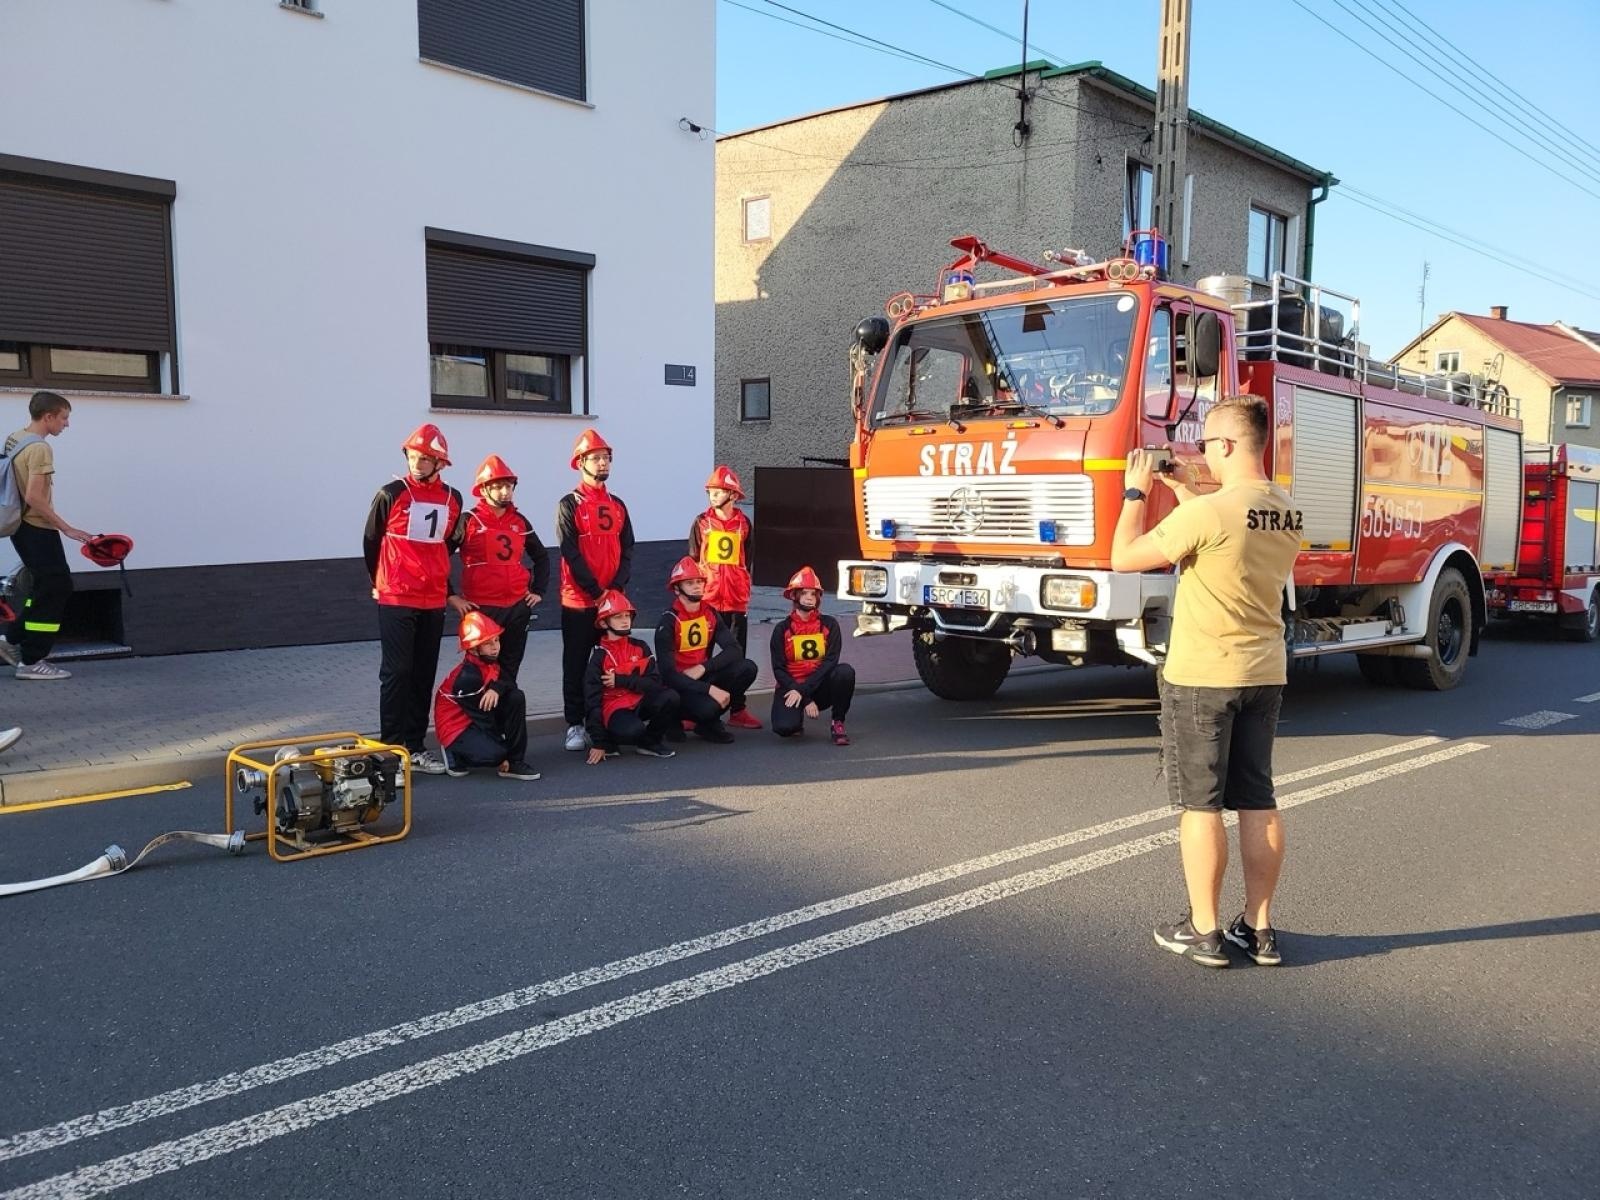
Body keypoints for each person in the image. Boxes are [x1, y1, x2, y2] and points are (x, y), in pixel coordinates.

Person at [1110, 394, 1303, 969]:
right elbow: (1224, 525)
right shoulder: (1284, 508)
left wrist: (1137, 490)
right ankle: (1260, 930)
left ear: (1223, 445)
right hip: (1264, 672)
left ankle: (1204, 930)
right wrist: (1182, 487)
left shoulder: (1210, 514)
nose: (1203, 456)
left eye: (1206, 446)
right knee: (1257, 800)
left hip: (1202, 678)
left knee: (1202, 806)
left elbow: (1124, 556)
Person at [362, 423, 465, 776]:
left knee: (423, 673)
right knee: (396, 672)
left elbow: (447, 542)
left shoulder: (453, 498)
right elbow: (371, 540)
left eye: (426, 459)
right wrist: (378, 579)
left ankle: (416, 746)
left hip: (432, 597)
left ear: (440, 464)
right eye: (414, 457)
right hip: (396, 594)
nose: (418, 464)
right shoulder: (391, 493)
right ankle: (390, 752)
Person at [1, 392, 95, 680]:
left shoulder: (16, 438)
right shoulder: (40, 449)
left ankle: (12, 640)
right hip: (36, 527)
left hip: (20, 527)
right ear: (48, 417)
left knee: (45, 586)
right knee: (57, 587)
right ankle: (32, 661)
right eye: (64, 417)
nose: (66, 424)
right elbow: (34, 497)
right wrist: (67, 528)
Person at [557, 428, 634, 752]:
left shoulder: (617, 504)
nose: (602, 463)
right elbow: (569, 550)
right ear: (580, 463)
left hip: (610, 601)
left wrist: (615, 589)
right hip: (579, 600)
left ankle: (602, 719)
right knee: (575, 663)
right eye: (596, 458)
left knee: (610, 662)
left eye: (606, 458)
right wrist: (595, 590)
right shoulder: (569, 503)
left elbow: (627, 546)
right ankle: (575, 724)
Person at [450, 454, 549, 690]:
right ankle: (479, 719)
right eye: (498, 486)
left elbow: (542, 557)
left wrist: (538, 590)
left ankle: (506, 716)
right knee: (479, 667)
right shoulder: (468, 520)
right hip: (482, 608)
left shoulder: (520, 521)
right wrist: (451, 596)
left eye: (508, 486)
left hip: (516, 606)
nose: (505, 491)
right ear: (483, 489)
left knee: (510, 666)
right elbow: (439, 556)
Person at [654, 556, 758, 744]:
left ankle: (706, 723)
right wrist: (710, 689)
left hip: (701, 674)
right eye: (690, 583)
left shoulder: (709, 612)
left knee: (747, 668)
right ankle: (676, 718)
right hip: (678, 683)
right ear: (677, 589)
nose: (696, 586)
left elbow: (734, 649)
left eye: (699, 582)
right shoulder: (668, 621)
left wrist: (704, 668)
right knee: (707, 707)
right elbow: (668, 674)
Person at [689, 465, 761, 729]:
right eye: (710, 491)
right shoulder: (701, 522)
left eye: (718, 491)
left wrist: (741, 587)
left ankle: (737, 709)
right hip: (708, 601)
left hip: (735, 600)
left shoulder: (744, 524)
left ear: (732, 494)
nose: (712, 495)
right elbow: (694, 560)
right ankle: (693, 709)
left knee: (738, 658)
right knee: (701, 657)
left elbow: (747, 560)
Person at [433, 610, 539, 781]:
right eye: (488, 643)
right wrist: (504, 753)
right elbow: (483, 719)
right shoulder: (468, 677)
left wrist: (496, 688)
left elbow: (508, 681)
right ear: (474, 649)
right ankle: (453, 750)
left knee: (516, 697)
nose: (496, 646)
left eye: (497, 640)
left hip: (475, 716)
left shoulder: (488, 661)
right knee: (496, 754)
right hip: (456, 727)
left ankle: (515, 763)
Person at [583, 590, 678, 763]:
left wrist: (621, 681)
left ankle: (650, 743)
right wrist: (599, 742)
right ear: (604, 623)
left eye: (627, 616)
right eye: (618, 617)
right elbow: (592, 702)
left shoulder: (641, 647)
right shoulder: (599, 656)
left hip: (639, 701)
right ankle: (611, 740)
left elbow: (655, 683)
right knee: (633, 730)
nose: (625, 620)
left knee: (670, 697)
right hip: (614, 709)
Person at [770, 566, 855, 746]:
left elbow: (830, 662)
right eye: (804, 593)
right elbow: (778, 669)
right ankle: (796, 717)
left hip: (818, 686)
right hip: (791, 688)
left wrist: (805, 692)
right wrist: (802, 696)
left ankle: (837, 722)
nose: (809, 598)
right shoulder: (781, 629)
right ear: (794, 596)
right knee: (784, 728)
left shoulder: (830, 624)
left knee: (844, 672)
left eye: (813, 594)